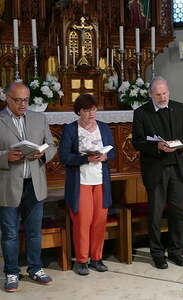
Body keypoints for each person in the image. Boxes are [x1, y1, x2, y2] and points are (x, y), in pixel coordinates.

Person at [132, 76, 183, 269]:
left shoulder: (179, 108)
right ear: (151, 94)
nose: (162, 97)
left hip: (177, 167)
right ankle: (157, 253)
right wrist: (157, 147)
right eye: (158, 94)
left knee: (177, 212)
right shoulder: (142, 113)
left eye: (165, 93)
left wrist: (180, 143)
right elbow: (138, 142)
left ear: (169, 91)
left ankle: (175, 251)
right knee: (156, 213)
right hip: (156, 169)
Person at [0, 82, 56, 292]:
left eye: (26, 99)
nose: (23, 104)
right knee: (10, 233)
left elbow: (51, 145)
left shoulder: (38, 118)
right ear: (7, 98)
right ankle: (12, 272)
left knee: (34, 232)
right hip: (8, 185)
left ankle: (35, 268)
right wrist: (6, 156)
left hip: (35, 183)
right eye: (18, 100)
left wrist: (43, 154)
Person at [59, 94, 115, 276]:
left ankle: (97, 258)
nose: (91, 113)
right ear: (79, 112)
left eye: (93, 109)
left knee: (99, 221)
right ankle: (82, 260)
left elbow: (112, 152)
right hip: (81, 182)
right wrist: (85, 158)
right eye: (87, 110)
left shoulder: (104, 128)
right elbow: (64, 156)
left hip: (100, 181)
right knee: (83, 222)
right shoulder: (70, 130)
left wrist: (105, 156)